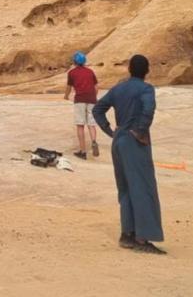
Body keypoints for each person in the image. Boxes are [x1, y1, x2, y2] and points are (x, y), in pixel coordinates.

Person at [92, 54, 164, 254]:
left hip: (119, 140)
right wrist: (140, 131)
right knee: (142, 188)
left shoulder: (119, 88)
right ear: (147, 70)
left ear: (129, 69)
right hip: (134, 142)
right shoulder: (146, 89)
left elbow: (98, 109)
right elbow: (149, 109)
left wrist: (111, 131)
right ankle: (142, 238)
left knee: (125, 189)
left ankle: (127, 235)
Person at [64, 52, 99, 160]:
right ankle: (94, 141)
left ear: (74, 61)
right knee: (91, 124)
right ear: (84, 61)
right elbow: (96, 86)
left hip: (80, 99)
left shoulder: (72, 73)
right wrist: (94, 96)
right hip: (92, 99)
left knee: (80, 125)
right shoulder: (90, 72)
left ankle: (83, 151)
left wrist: (66, 96)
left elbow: (69, 87)